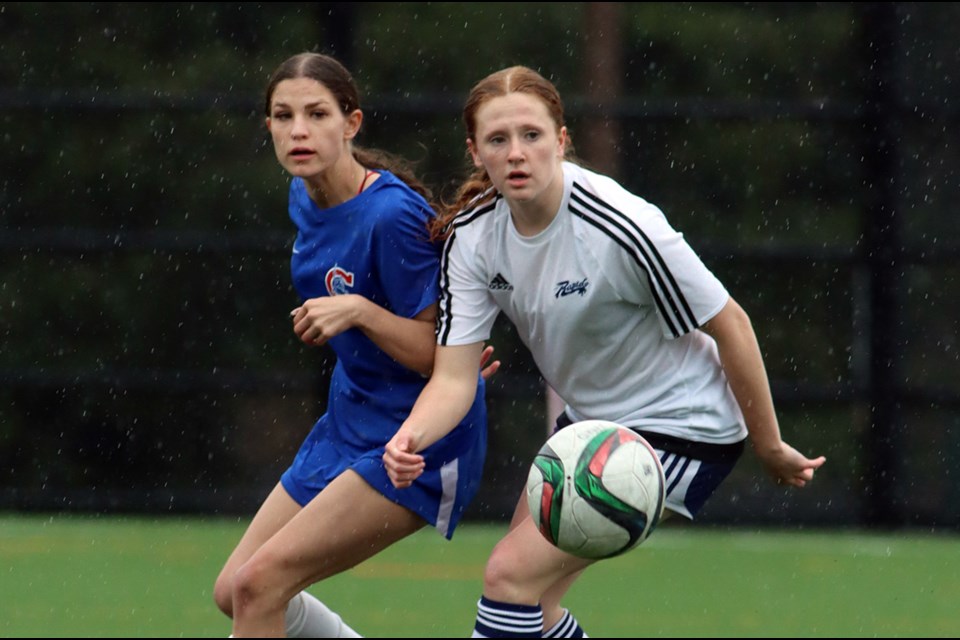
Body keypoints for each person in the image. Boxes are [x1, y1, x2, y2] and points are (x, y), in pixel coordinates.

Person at [384, 65, 827, 638]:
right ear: (475, 152)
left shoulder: (621, 225)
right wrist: (410, 436)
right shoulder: (472, 238)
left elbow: (730, 323)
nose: (516, 153)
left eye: (532, 135)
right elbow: (452, 379)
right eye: (498, 139)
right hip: (592, 426)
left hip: (683, 426)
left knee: (508, 577)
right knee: (532, 604)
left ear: (561, 140)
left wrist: (768, 445)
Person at [213, 52, 497, 638]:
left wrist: (361, 312)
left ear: (352, 123)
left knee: (257, 587)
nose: (299, 131)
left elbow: (436, 357)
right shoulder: (304, 196)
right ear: (267, 126)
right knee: (233, 590)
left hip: (417, 441)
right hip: (351, 420)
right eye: (283, 115)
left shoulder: (391, 216)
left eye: (317, 114)